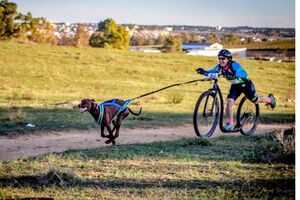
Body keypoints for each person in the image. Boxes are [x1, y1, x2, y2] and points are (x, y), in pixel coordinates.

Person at [196, 49, 276, 132]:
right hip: (235, 86)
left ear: (228, 59)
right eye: (219, 58)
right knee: (229, 102)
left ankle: (270, 99)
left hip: (245, 84)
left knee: (255, 100)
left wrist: (235, 74)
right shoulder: (219, 67)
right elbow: (211, 72)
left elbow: (243, 73)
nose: (221, 60)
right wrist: (203, 72)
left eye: (223, 58)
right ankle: (230, 123)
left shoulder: (234, 65)